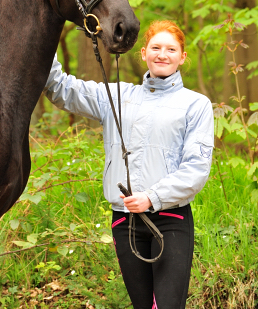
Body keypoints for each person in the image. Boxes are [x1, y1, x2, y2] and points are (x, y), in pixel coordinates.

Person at [43, 20, 214, 309]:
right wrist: (44, 34)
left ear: (182, 57)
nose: (163, 54)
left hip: (170, 221)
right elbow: (61, 88)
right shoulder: (116, 96)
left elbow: (196, 169)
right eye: (156, 48)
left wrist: (152, 197)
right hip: (125, 222)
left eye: (171, 49)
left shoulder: (195, 105)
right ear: (144, 53)